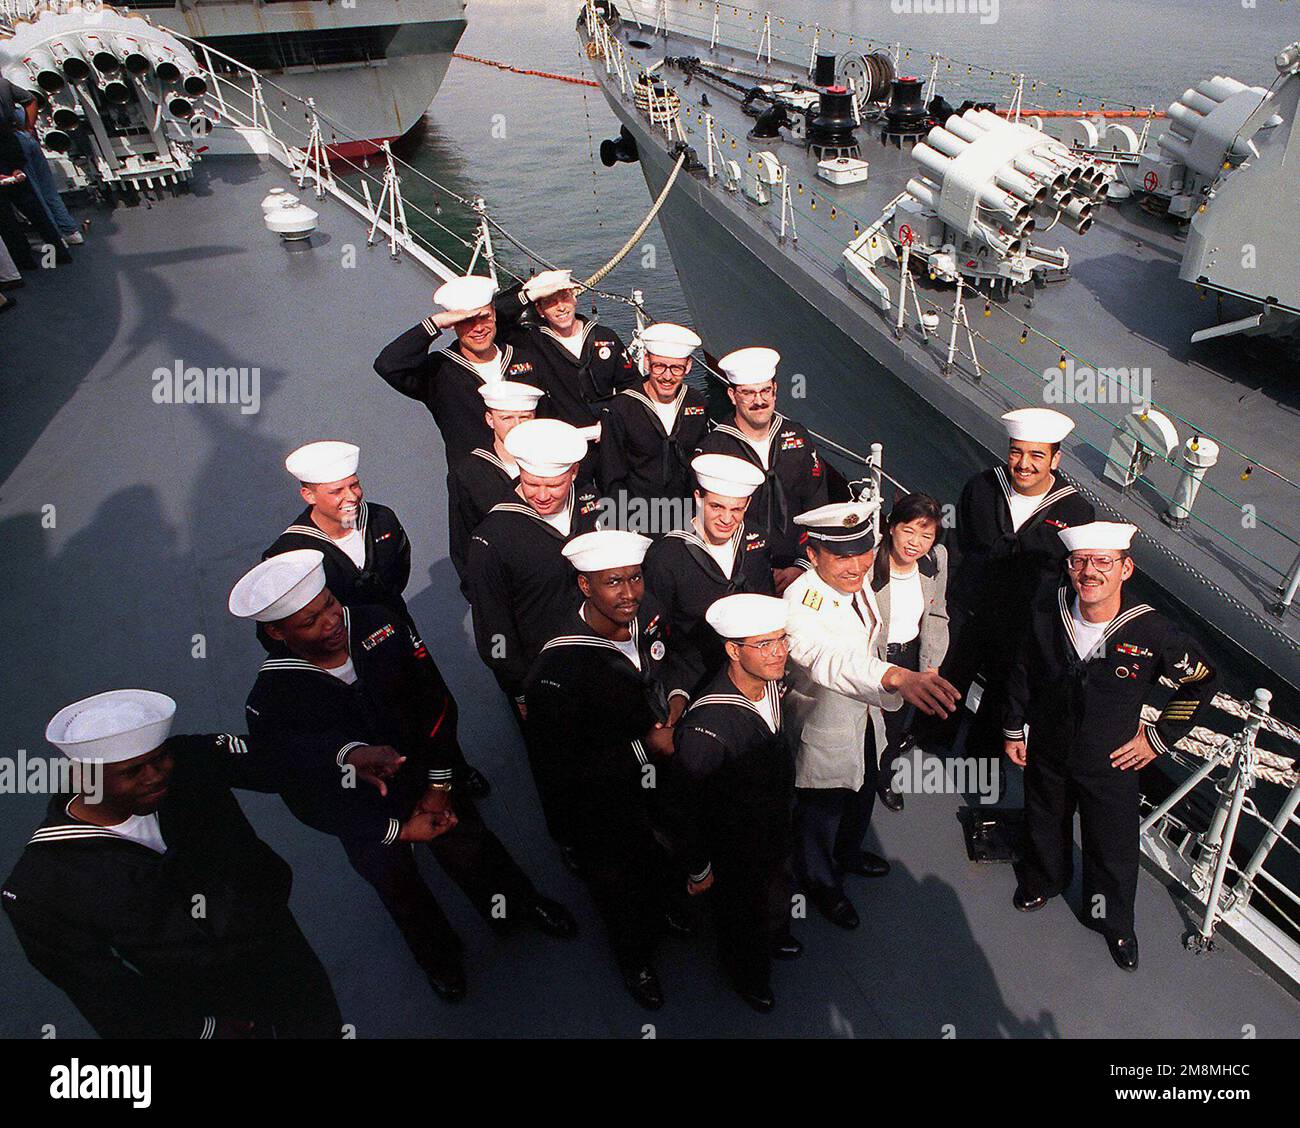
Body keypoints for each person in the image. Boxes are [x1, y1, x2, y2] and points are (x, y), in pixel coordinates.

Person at [231, 551, 575, 1003]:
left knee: (471, 845)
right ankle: (440, 958)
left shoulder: (381, 624)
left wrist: (438, 786)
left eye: (330, 604)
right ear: (277, 633)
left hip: (427, 774)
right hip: (365, 814)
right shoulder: (272, 699)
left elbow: (435, 703)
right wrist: (394, 831)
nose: (332, 620)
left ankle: (515, 907)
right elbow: (306, 796)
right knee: (400, 889)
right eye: (311, 621)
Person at [3, 690, 346, 1038]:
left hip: (281, 953)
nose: (155, 776)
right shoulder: (38, 887)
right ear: (83, 778)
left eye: (160, 759)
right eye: (132, 771)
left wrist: (346, 757)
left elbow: (274, 758)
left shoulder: (187, 762)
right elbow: (99, 988)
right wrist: (200, 1030)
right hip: (200, 1002)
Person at [1003, 522, 1217, 971]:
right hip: (1049, 748)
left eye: (1104, 562)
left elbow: (1200, 682)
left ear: (1126, 569)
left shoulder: (1152, 632)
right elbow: (1024, 669)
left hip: (1113, 760)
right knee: (1044, 820)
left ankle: (1114, 922)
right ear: (1069, 567)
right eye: (1081, 562)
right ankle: (1045, 879)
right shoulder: (1048, 610)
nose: (1091, 572)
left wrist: (1157, 739)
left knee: (1112, 846)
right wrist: (1013, 727)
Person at [523, 530, 693, 1009]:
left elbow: (674, 660)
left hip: (659, 774)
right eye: (612, 582)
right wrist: (648, 749)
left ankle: (662, 911)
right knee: (617, 884)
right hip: (603, 800)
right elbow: (561, 766)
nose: (629, 594)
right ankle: (635, 961)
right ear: (584, 587)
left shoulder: (647, 614)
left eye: (635, 578)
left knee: (661, 855)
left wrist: (677, 700)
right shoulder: (556, 669)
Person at [265, 440, 489, 796]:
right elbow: (278, 631)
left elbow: (398, 570)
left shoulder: (382, 519)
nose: (350, 496)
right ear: (308, 495)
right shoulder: (287, 555)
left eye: (354, 484)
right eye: (335, 490)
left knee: (432, 704)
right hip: (345, 657)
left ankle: (451, 772)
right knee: (374, 722)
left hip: (398, 636)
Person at [783, 502, 960, 929]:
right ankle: (821, 882)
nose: (857, 564)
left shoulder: (856, 581)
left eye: (864, 551)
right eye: (842, 556)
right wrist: (896, 676)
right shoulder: (803, 599)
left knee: (862, 790)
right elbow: (828, 659)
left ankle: (847, 854)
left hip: (865, 715)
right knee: (821, 810)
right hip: (825, 722)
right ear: (814, 556)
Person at [933, 408, 1095, 785]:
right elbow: (956, 547)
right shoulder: (982, 487)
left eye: (1037, 455)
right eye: (1017, 452)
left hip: (1023, 626)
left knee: (1003, 698)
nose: (1024, 464)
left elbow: (1072, 577)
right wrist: (941, 603)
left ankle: (979, 768)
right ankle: (929, 741)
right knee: (948, 677)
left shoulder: (1075, 511)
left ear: (1055, 458)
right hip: (970, 611)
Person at [670, 593, 800, 1013]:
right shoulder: (707, 727)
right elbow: (687, 807)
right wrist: (700, 867)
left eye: (782, 640)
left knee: (776, 892)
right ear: (732, 650)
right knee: (742, 916)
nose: (778, 652)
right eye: (764, 645)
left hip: (773, 826)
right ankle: (749, 975)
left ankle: (776, 929)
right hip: (737, 846)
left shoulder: (770, 682)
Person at [372, 274, 545, 467]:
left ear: (495, 315)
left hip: (535, 476)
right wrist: (434, 323)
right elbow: (388, 364)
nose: (478, 328)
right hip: (474, 483)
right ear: (452, 323)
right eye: (466, 321)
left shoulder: (524, 359)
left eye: (484, 317)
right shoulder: (439, 372)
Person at [695, 346, 828, 589]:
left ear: (775, 391)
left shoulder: (797, 437)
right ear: (732, 396)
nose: (759, 401)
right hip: (743, 570)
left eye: (765, 391)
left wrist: (802, 564)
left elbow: (816, 503)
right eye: (748, 393)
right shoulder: (715, 449)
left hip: (799, 565)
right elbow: (706, 521)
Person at [642, 453, 774, 693]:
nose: (726, 519)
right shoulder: (667, 555)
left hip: (750, 677)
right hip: (692, 681)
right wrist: (669, 692)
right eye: (716, 506)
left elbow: (766, 606)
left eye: (736, 509)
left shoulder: (757, 541)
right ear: (698, 498)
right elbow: (651, 634)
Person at [869, 493, 950, 811]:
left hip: (908, 657)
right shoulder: (868, 560)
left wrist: (931, 666)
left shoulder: (935, 562)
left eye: (926, 535)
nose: (916, 542)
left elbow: (937, 613)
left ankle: (884, 776)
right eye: (909, 530)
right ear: (891, 527)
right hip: (871, 655)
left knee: (894, 726)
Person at [498, 268, 637, 434]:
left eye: (564, 298)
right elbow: (494, 318)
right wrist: (529, 296)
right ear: (540, 310)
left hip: (607, 433)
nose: (561, 307)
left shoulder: (605, 337)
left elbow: (632, 385)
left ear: (574, 298)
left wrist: (612, 417)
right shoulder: (532, 342)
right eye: (550, 302)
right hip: (560, 439)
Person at [598, 321, 710, 516]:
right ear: (647, 361)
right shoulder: (621, 409)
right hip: (639, 515)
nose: (667, 376)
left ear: (689, 366)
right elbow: (611, 476)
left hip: (687, 513)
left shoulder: (696, 403)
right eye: (659, 366)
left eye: (676, 368)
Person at [447, 381, 543, 590]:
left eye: (524, 417)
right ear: (490, 420)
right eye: (506, 418)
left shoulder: (553, 463)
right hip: (500, 582)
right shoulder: (469, 472)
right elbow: (463, 540)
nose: (516, 425)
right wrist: (477, 593)